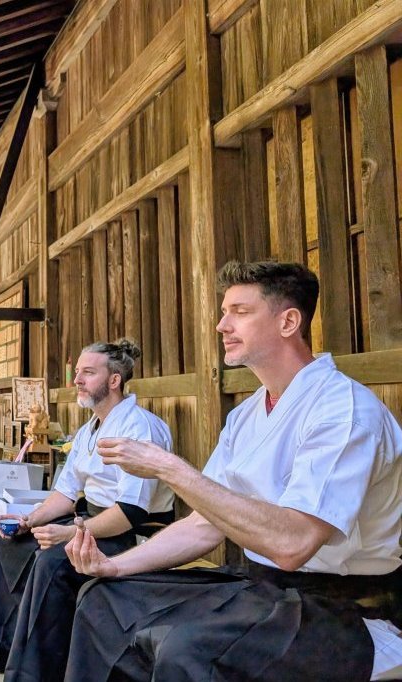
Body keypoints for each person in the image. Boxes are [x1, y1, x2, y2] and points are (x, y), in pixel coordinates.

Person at [65, 260, 402, 682]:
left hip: (340, 610)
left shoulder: (344, 412)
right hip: (261, 591)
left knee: (189, 647)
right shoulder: (245, 415)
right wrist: (115, 566)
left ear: (288, 321)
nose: (223, 325)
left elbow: (293, 542)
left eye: (240, 312)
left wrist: (168, 467)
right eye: (223, 313)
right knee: (104, 598)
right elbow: (204, 526)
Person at [0, 340, 175, 680]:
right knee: (7, 541)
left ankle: (34, 671)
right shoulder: (87, 431)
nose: (77, 380)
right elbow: (65, 494)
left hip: (133, 533)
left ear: (114, 380)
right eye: (77, 372)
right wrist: (28, 520)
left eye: (88, 373)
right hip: (91, 520)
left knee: (51, 560)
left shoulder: (139, 427)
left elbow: (131, 512)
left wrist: (71, 532)